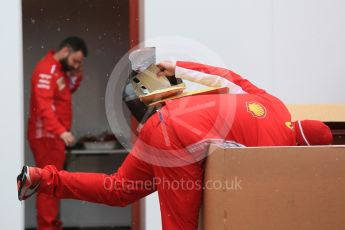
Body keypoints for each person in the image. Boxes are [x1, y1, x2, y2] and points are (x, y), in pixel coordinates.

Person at [18, 60, 332, 230]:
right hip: (177, 139)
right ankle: (41, 179)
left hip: (163, 120)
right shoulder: (274, 152)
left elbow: (228, 77)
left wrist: (177, 66)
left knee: (118, 189)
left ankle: (40, 178)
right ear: (302, 151)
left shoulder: (274, 104)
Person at [27, 36, 88, 230]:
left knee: (53, 184)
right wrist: (60, 131)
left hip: (53, 137)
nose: (77, 64)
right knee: (48, 185)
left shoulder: (59, 71)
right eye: (75, 60)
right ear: (65, 51)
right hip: (47, 137)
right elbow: (44, 106)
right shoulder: (47, 69)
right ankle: (47, 227)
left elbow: (67, 92)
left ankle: (52, 225)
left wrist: (76, 73)